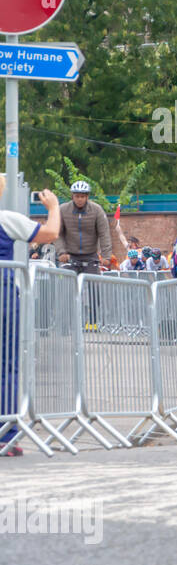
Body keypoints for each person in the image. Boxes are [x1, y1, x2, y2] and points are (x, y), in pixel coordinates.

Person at [0, 185, 61, 456]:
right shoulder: (6, 219)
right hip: (2, 293)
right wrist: (54, 208)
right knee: (7, 367)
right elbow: (50, 234)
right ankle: (6, 434)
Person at [55, 180, 110, 276]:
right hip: (69, 255)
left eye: (82, 196)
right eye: (77, 196)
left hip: (90, 255)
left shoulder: (97, 210)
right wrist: (61, 252)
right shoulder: (63, 210)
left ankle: (94, 290)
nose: (80, 199)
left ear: (87, 197)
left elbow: (104, 234)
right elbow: (58, 233)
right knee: (66, 285)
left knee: (94, 287)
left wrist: (106, 256)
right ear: (72, 196)